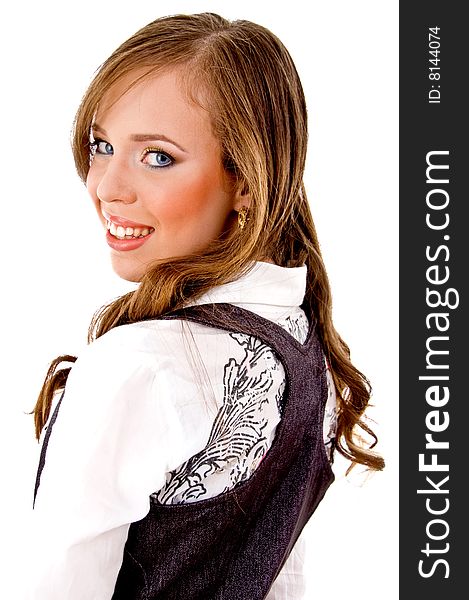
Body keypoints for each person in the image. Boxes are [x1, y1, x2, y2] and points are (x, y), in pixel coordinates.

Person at [27, 12, 384, 600]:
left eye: (158, 157)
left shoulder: (140, 364)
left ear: (245, 180)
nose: (108, 185)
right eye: (102, 145)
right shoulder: (302, 344)